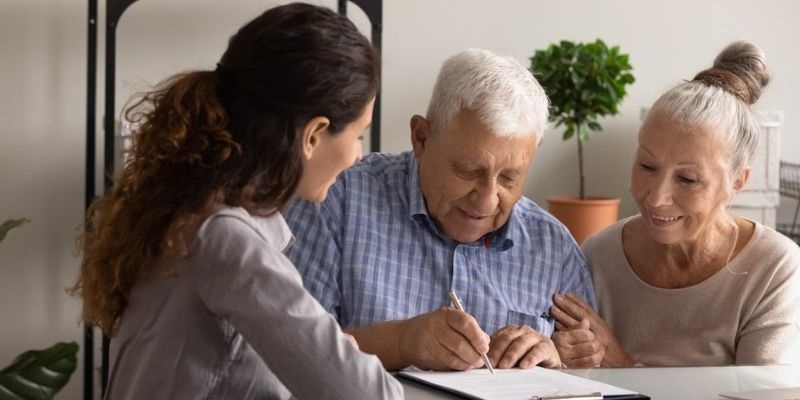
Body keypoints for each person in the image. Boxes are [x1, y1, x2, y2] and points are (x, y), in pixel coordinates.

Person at [70, 3, 403, 399]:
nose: (359, 156)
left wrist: (337, 352)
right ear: (313, 134)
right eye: (360, 134)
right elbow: (367, 395)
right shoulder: (228, 241)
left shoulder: (194, 213)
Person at [284, 48, 596, 372]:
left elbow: (592, 374)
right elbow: (282, 351)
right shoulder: (336, 202)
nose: (487, 200)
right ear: (421, 138)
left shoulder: (554, 249)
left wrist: (558, 361)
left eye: (509, 178)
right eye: (469, 171)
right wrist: (402, 342)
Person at [551, 40, 800, 367]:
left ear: (738, 182)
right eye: (647, 166)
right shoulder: (598, 255)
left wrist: (624, 368)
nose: (656, 197)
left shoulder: (773, 267)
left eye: (687, 179)